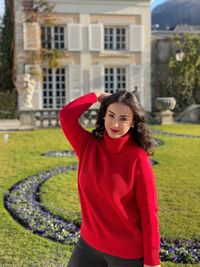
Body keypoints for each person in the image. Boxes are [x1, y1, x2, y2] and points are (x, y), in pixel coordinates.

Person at [59, 90, 161, 267]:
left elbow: (149, 212)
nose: (115, 123)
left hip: (127, 253)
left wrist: (152, 261)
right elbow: (66, 115)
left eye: (123, 118)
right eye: (111, 115)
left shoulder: (138, 159)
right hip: (88, 245)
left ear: (132, 123)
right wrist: (96, 95)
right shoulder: (87, 146)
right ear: (104, 116)